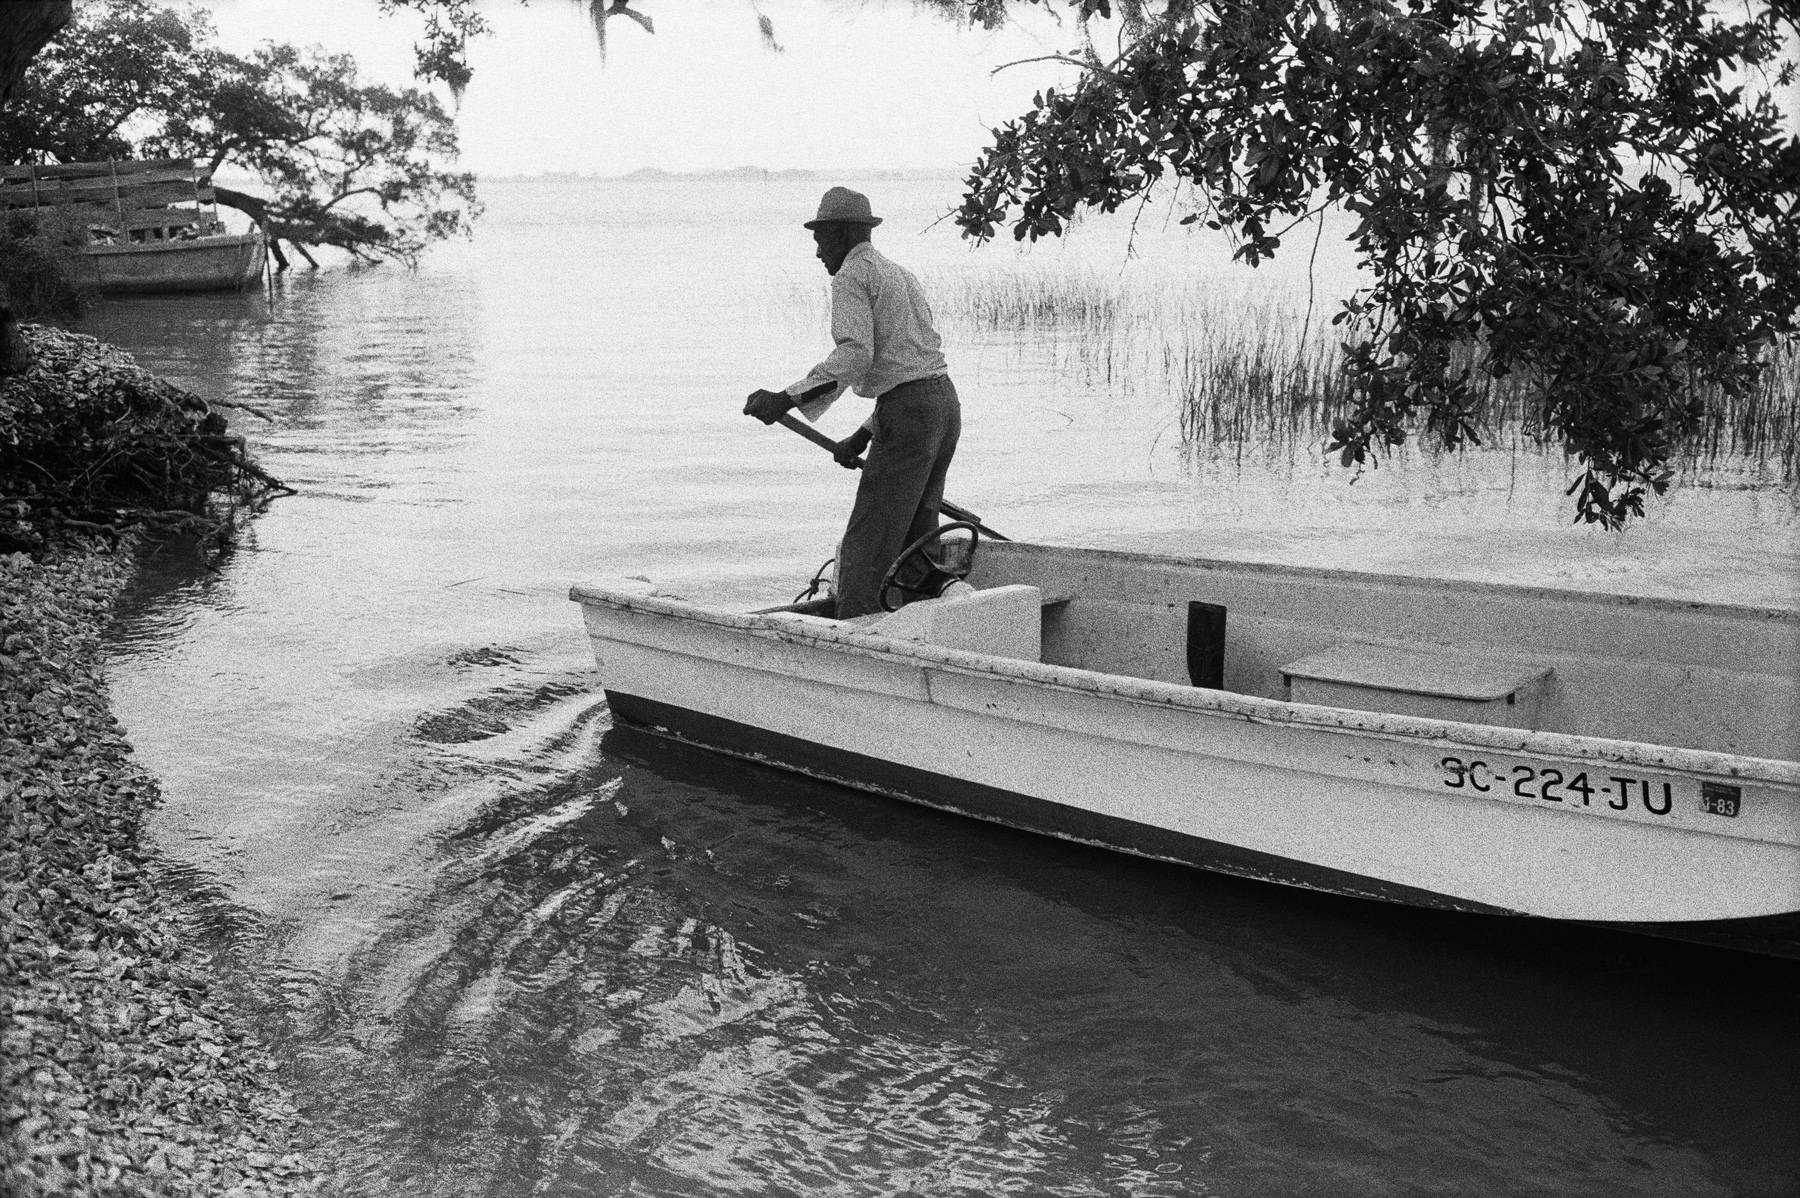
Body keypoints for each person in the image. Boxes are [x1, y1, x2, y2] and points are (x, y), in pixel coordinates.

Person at [743, 186, 962, 619]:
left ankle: (858, 629)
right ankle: (931, 618)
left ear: (841, 235)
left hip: (911, 413)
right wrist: (862, 437)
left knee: (869, 540)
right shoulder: (899, 273)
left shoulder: (851, 275)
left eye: (821, 240)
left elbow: (856, 354)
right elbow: (909, 369)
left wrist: (785, 399)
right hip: (943, 405)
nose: (819, 252)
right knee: (919, 533)